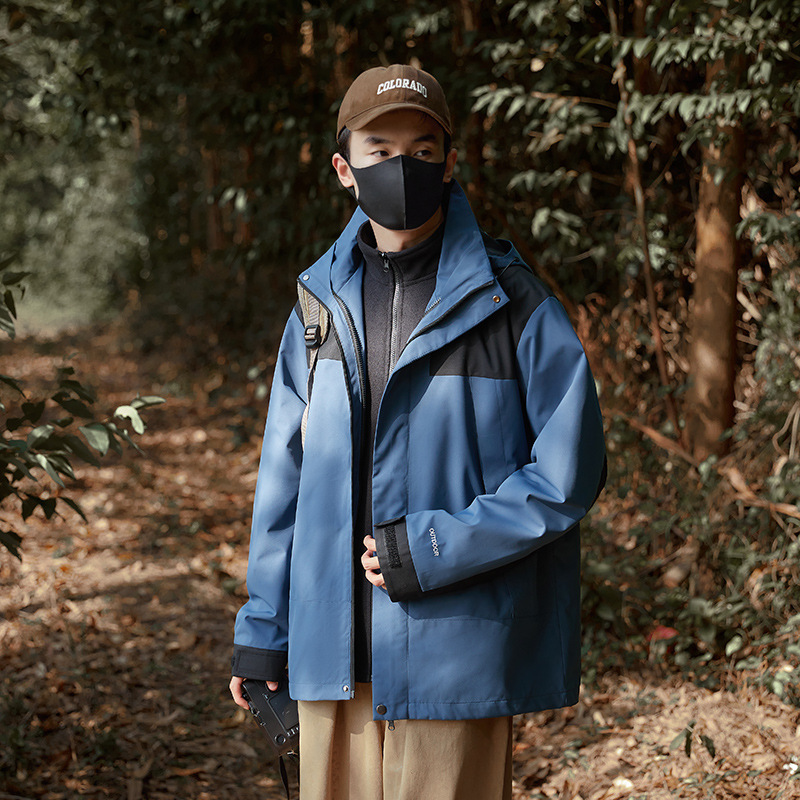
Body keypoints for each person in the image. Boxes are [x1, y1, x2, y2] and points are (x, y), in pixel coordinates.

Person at [230, 63, 606, 800]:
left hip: (455, 653)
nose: (402, 165)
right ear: (345, 167)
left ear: (449, 161)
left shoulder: (513, 302)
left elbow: (570, 471)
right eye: (379, 148)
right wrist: (263, 628)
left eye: (423, 149)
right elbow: (284, 480)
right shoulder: (314, 312)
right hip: (329, 656)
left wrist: (435, 546)